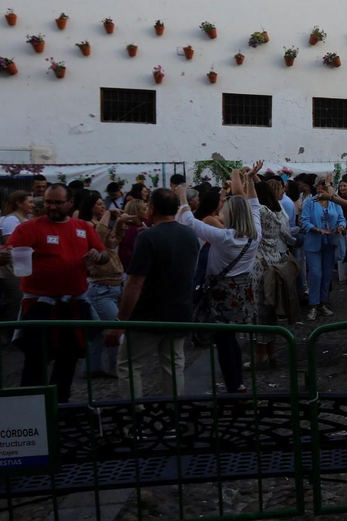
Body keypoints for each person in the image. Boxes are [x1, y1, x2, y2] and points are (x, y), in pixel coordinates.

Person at [0, 183, 110, 402]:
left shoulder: (83, 227)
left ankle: (62, 405)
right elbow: (4, 252)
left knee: (68, 359)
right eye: (48, 202)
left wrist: (99, 256)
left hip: (73, 304)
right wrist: (1, 256)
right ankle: (32, 409)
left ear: (70, 203)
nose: (52, 207)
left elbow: (104, 253)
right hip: (39, 305)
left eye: (58, 203)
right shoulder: (29, 227)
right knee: (35, 359)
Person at [104, 186, 199, 397]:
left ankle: (135, 421)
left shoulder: (148, 238)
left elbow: (135, 282)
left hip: (149, 314)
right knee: (173, 366)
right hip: (180, 311)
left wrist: (120, 321)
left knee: (129, 366)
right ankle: (173, 420)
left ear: (152, 208)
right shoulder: (190, 235)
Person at [178, 166, 260, 393]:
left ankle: (234, 385)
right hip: (243, 290)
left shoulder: (225, 237)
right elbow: (253, 204)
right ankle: (238, 382)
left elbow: (190, 222)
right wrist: (250, 180)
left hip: (222, 294)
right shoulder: (255, 233)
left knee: (224, 341)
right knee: (231, 339)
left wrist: (182, 197)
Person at [74, 190, 124, 379]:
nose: (103, 207)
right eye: (98, 204)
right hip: (99, 287)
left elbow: (114, 241)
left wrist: (119, 223)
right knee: (115, 331)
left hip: (112, 285)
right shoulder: (87, 225)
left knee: (96, 333)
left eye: (104, 204)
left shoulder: (100, 223)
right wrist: (109, 214)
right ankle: (115, 368)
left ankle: (92, 368)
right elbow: (99, 238)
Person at [251, 178, 298, 371]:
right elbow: (288, 236)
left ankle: (260, 355)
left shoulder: (259, 212)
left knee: (259, 313)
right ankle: (273, 353)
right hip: (276, 261)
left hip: (260, 265)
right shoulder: (279, 212)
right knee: (270, 311)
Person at [300, 179, 345, 317]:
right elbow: (304, 221)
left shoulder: (335, 202)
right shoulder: (310, 202)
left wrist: (340, 227)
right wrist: (318, 230)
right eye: (322, 186)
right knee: (315, 273)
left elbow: (342, 219)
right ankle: (313, 304)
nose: (324, 188)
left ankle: (322, 303)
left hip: (330, 242)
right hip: (314, 242)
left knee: (326, 274)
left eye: (327, 186)